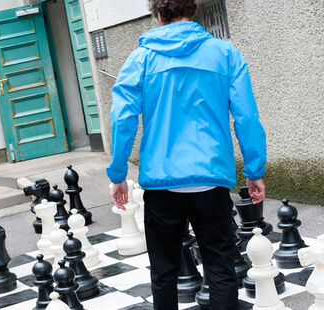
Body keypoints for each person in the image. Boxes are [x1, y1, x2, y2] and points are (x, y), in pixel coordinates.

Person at [107, 0, 267, 309]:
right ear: (192, 10)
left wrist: (118, 174)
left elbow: (122, 118)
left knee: (164, 272)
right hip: (211, 178)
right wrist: (254, 169)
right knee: (221, 269)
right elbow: (246, 116)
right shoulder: (225, 54)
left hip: (161, 182)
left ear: (156, 14)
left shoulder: (140, 59)